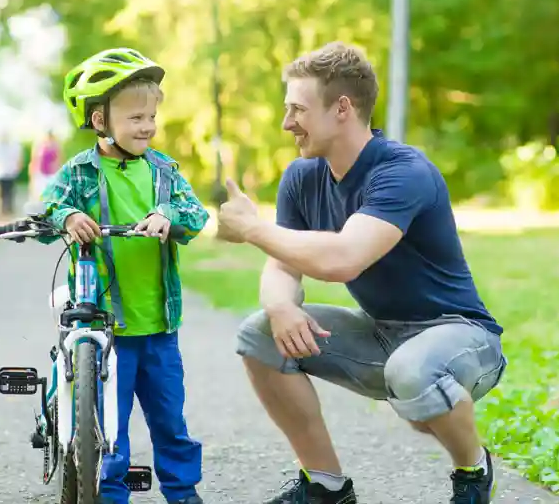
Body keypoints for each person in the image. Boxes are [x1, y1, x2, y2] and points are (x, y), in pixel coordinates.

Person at [216, 42, 507, 504]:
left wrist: (253, 228)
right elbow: (284, 264)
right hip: (383, 338)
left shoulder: (403, 171)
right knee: (259, 334)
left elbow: (343, 258)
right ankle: (326, 486)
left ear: (343, 109)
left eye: (297, 109)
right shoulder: (303, 176)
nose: (286, 122)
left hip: (461, 337)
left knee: (413, 375)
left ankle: (473, 470)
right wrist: (278, 305)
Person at [38, 47, 209, 504]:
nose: (147, 127)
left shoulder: (164, 172)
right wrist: (69, 215)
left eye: (151, 116)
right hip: (102, 327)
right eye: (135, 118)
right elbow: (46, 209)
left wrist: (167, 215)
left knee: (171, 422)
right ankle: (109, 496)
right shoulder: (78, 172)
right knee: (107, 429)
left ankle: (183, 494)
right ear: (99, 122)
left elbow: (196, 214)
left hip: (157, 327)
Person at [28, 130, 62, 200]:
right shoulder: (39, 146)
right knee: (40, 193)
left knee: (51, 194)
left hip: (52, 173)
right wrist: (32, 173)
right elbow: (34, 160)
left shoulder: (56, 146)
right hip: (41, 173)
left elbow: (59, 160)